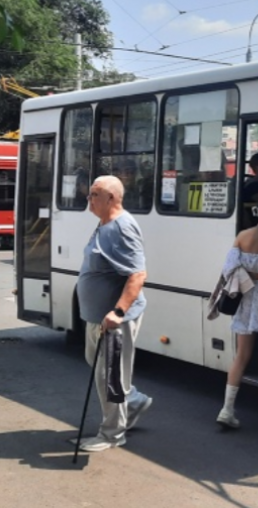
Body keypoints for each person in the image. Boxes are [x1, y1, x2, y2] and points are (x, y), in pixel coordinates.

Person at [75, 175, 153, 452]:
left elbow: (137, 274)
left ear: (111, 198)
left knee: (109, 378)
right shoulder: (104, 223)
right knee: (98, 367)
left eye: (94, 194)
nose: (89, 198)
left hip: (113, 319)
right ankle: (133, 402)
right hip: (97, 316)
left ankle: (112, 434)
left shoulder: (122, 227)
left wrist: (118, 312)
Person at [216, 195, 258, 429]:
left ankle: (227, 409)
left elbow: (229, 268)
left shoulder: (242, 236)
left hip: (247, 294)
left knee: (241, 356)